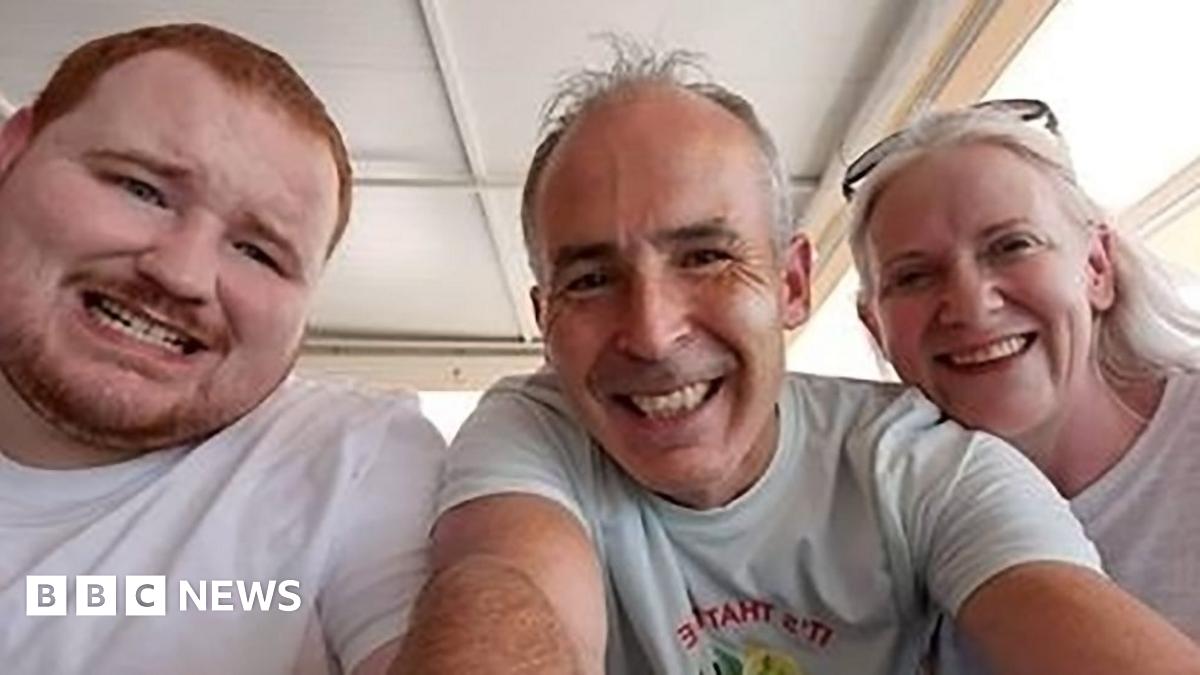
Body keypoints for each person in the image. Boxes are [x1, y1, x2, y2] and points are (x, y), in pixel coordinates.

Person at [397, 48, 1200, 674]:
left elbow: (1049, 604)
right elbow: (504, 582)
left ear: (790, 283)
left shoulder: (924, 461)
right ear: (544, 320)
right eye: (592, 278)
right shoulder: (534, 428)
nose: (651, 331)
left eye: (706, 256)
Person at [0, 24, 443, 674]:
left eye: (258, 251)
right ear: (13, 149)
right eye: (140, 189)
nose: (180, 273)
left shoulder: (352, 457)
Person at [847, 99, 1200, 671]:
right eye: (913, 276)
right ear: (875, 326)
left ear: (1096, 267)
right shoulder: (869, 534)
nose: (969, 304)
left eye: (1011, 246)